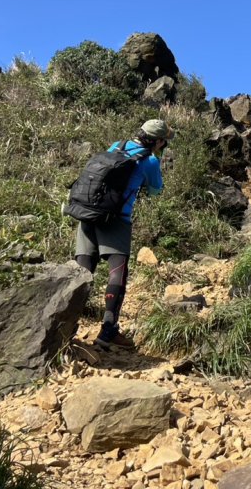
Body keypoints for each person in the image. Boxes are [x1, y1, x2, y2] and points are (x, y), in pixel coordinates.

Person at [74, 118, 173, 350]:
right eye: (164, 141)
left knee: (81, 273)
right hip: (116, 220)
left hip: (87, 214)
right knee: (117, 274)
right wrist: (154, 162)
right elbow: (156, 191)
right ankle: (107, 332)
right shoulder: (149, 161)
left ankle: (64, 326)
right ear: (158, 141)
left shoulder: (116, 146)